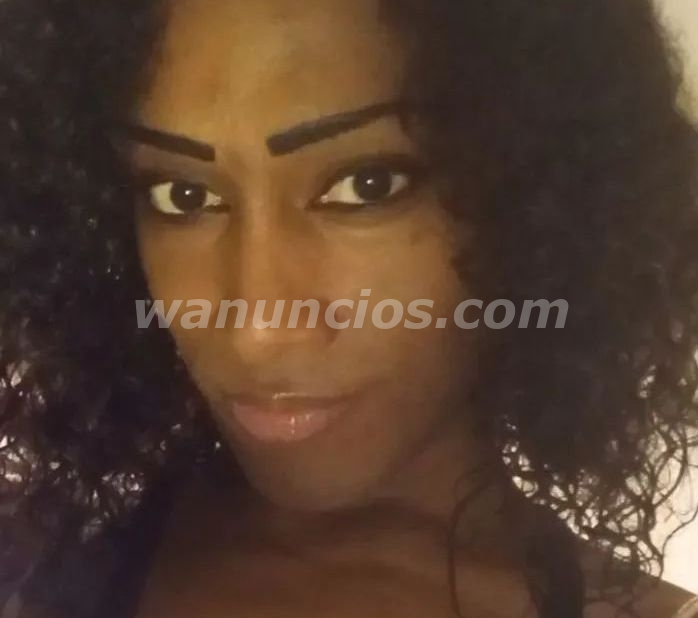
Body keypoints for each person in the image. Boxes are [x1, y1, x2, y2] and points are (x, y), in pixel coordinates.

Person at [0, 0, 697, 616]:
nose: (257, 330)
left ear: (537, 195)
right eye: (182, 196)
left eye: (366, 185)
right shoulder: (31, 558)